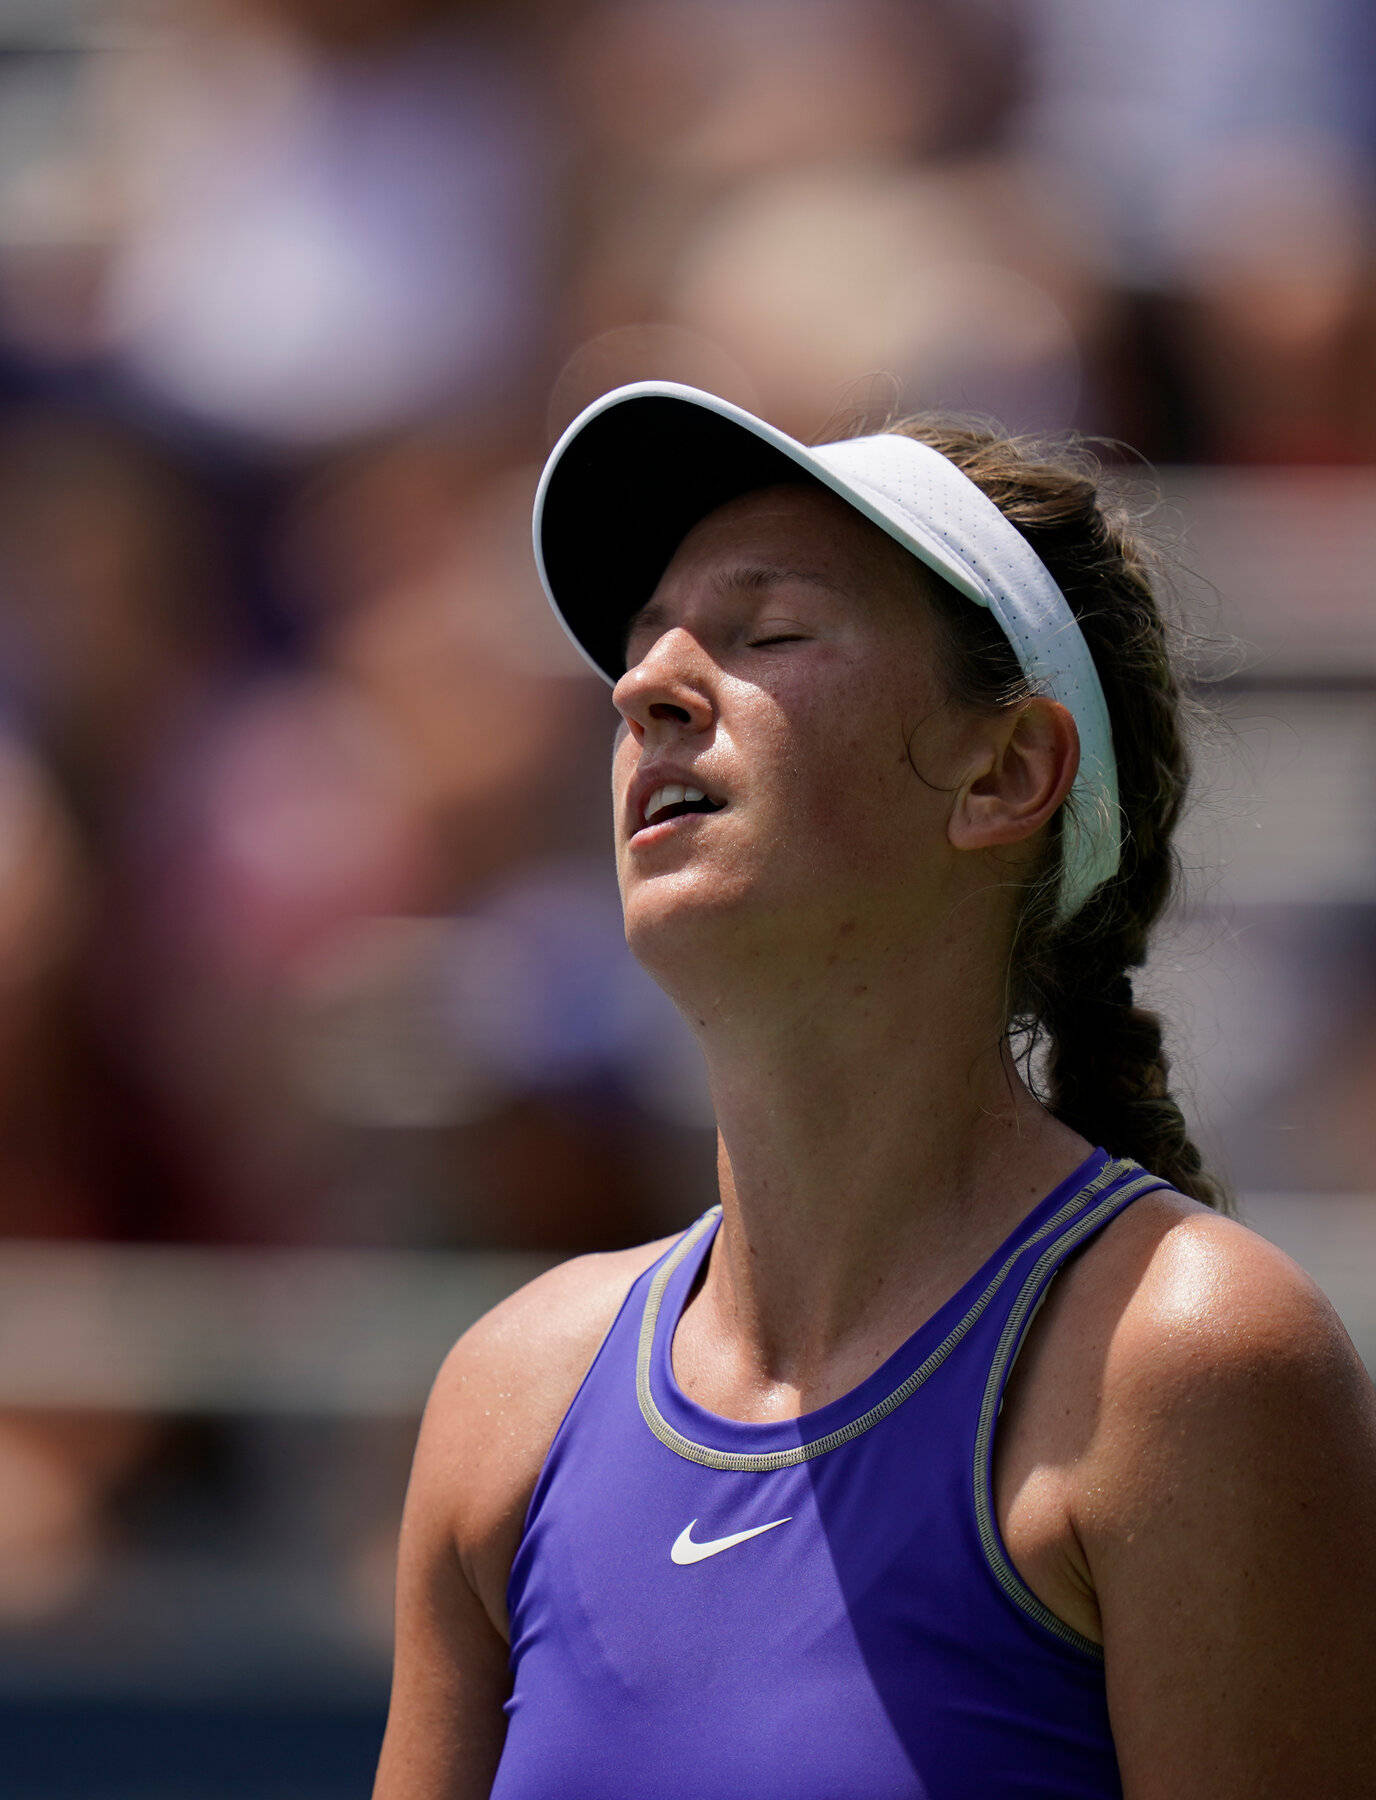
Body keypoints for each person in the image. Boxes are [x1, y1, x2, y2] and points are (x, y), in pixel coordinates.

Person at [372, 383, 1376, 1798]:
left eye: (768, 632)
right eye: (645, 642)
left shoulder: (1188, 1363)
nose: (640, 684)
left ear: (1006, 769)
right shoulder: (508, 1398)